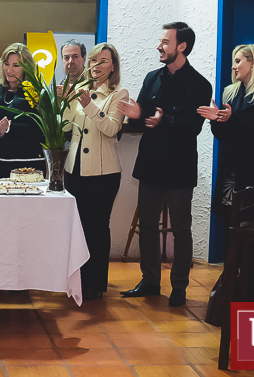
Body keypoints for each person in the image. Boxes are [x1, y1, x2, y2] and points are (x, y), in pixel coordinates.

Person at [118, 22, 212, 307]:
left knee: (181, 229)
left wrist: (164, 120)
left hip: (180, 167)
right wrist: (136, 114)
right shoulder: (152, 78)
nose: (159, 46)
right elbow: (142, 118)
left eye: (165, 42)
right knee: (147, 226)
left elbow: (194, 127)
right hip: (151, 164)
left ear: (181, 46)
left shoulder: (200, 84)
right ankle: (149, 281)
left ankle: (179, 287)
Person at [198, 44, 254, 302]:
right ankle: (230, 293)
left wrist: (230, 119)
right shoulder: (231, 92)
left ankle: (249, 294)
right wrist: (216, 120)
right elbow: (223, 135)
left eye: (238, 61)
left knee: (251, 239)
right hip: (230, 175)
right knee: (230, 233)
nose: (233, 66)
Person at [63, 43, 128, 300]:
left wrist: (89, 105)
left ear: (113, 66)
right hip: (75, 169)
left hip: (103, 173)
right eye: (93, 60)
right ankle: (77, 281)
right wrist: (65, 101)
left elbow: (111, 129)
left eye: (104, 61)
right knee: (77, 227)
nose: (97, 66)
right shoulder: (80, 88)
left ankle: (95, 284)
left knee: (97, 228)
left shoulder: (119, 93)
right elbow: (66, 126)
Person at [0, 43, 45, 178]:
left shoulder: (37, 91)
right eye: (6, 64)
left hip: (30, 164)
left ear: (27, 67)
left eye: (16, 65)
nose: (9, 70)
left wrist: (9, 128)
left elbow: (40, 130)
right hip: (1, 162)